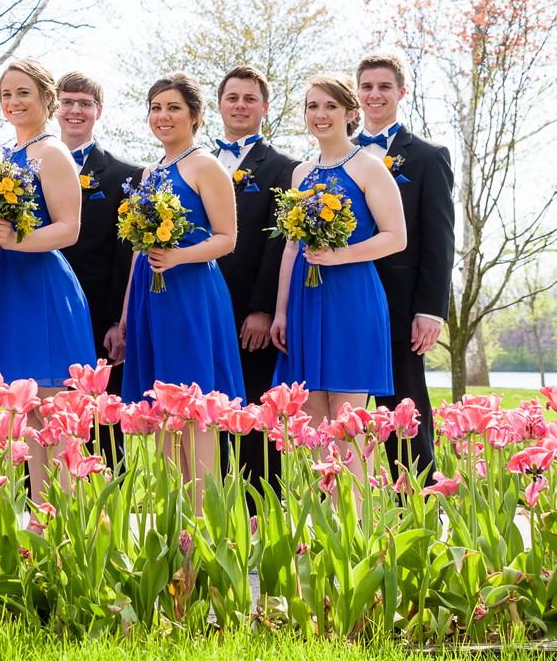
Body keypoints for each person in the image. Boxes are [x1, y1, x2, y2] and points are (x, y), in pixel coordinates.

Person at [272, 74, 405, 490]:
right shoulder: (301, 174)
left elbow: (395, 237)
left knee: (348, 429)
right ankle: (321, 539)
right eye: (312, 106)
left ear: (351, 113)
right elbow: (291, 248)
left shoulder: (368, 166)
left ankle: (355, 537)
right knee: (311, 430)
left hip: (352, 300)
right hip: (305, 302)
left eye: (330, 106)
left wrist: (340, 255)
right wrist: (280, 312)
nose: (320, 114)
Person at [114, 74, 243, 499]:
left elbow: (226, 238)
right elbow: (139, 247)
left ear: (194, 115)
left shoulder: (205, 165)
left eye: (173, 107)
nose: (163, 116)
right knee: (165, 415)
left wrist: (178, 257)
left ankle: (204, 531)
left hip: (192, 298)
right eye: (155, 107)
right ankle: (176, 534)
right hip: (152, 300)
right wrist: (127, 316)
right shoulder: (151, 172)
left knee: (195, 408)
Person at [0, 59, 93, 501]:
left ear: (47, 98)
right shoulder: (6, 157)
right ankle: (41, 528)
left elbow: (69, 228)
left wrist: (15, 238)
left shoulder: (53, 152)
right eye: (6, 95)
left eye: (22, 92)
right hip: (6, 286)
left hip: (41, 290)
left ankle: (66, 528)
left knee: (52, 414)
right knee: (25, 419)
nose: (13, 102)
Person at [355, 52, 455, 474]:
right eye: (366, 87)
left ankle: (419, 519)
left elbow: (439, 238)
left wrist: (430, 309)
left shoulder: (429, 156)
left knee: (406, 419)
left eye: (383, 87)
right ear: (356, 93)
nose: (374, 95)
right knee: (348, 421)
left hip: (400, 311)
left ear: (401, 92)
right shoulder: (335, 155)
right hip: (345, 303)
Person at [208, 66, 298, 492]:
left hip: (249, 316)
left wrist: (263, 309)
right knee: (208, 420)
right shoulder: (199, 163)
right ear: (219, 105)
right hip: (201, 309)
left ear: (264, 107)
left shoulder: (283, 168)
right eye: (232, 97)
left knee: (255, 424)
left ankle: (260, 521)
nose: (240, 105)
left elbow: (278, 244)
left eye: (249, 98)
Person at [55, 70, 139, 462]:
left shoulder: (126, 175)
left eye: (84, 103)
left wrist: (116, 323)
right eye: (67, 102)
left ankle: (108, 516)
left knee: (101, 425)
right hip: (41, 310)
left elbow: (127, 255)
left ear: (98, 111)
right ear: (55, 108)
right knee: (47, 417)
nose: (75, 110)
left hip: (96, 318)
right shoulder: (25, 171)